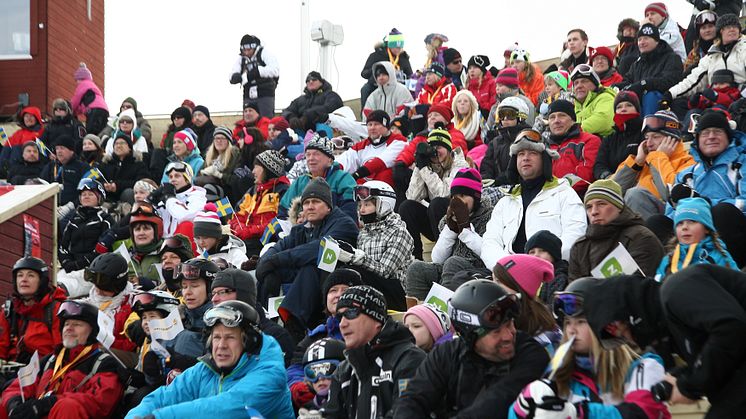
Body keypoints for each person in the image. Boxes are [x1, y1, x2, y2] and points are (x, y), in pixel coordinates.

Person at [582, 266, 746, 417]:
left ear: (623, 319)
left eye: (622, 334)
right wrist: (683, 378)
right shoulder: (671, 330)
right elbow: (723, 356)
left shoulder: (676, 289)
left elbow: (730, 328)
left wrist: (691, 386)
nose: (632, 342)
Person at [511, 277, 670, 419]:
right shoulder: (561, 375)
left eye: (580, 322)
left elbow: (644, 412)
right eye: (568, 323)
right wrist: (521, 409)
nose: (572, 330)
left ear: (604, 324)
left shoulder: (644, 366)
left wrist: (578, 413)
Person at [394, 279, 549, 417]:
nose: (508, 336)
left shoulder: (531, 355)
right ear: (470, 336)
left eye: (510, 324)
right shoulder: (447, 354)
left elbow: (495, 404)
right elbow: (412, 399)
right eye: (496, 332)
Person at [126, 301, 294, 418]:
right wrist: (137, 416)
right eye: (216, 338)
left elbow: (225, 410)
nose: (221, 345)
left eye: (230, 338)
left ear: (249, 342)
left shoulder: (270, 375)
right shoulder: (205, 370)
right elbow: (163, 397)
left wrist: (159, 417)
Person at [256, 178, 359, 339]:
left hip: (336, 279)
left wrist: (275, 260)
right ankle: (263, 322)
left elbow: (319, 249)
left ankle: (293, 326)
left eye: (316, 201)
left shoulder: (344, 223)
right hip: (309, 285)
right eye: (306, 202)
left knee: (310, 267)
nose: (310, 206)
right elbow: (278, 248)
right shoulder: (301, 230)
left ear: (328, 206)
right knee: (270, 274)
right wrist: (267, 262)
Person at [0, 300, 125, 419]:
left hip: (67, 414)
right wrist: (13, 403)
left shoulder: (104, 363)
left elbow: (100, 402)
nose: (69, 328)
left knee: (67, 407)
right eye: (66, 324)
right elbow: (19, 386)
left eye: (77, 324)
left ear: (92, 332)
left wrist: (50, 402)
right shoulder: (49, 360)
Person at [482, 129, 587, 269]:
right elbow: (490, 242)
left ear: (544, 159)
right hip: (508, 274)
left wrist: (543, 263)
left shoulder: (565, 193)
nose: (525, 158)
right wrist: (507, 268)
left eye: (532, 153)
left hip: (552, 272)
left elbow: (575, 235)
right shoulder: (505, 202)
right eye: (521, 154)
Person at [321, 285, 426, 418]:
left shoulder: (410, 360)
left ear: (376, 319)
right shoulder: (344, 371)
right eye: (340, 317)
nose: (342, 324)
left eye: (351, 313)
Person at [670, 109, 746, 267]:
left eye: (717, 131)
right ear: (697, 140)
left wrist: (704, 203)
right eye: (705, 133)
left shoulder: (742, 164)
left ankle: (726, 274)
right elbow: (671, 214)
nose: (711, 136)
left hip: (735, 236)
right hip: (694, 236)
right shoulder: (686, 175)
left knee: (722, 212)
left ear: (728, 137)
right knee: (658, 221)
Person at [406, 168, 493, 299]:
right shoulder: (447, 220)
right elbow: (437, 259)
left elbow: (489, 253)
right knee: (416, 268)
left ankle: (444, 310)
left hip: (478, 271)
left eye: (463, 196)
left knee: (454, 262)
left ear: (476, 197)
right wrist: (450, 229)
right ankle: (419, 314)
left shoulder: (490, 216)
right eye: (454, 197)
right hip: (449, 269)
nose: (458, 201)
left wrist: (465, 229)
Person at [336, 181, 412, 310]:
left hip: (397, 292)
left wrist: (355, 257)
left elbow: (385, 271)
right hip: (371, 287)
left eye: (367, 204)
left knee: (357, 272)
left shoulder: (399, 232)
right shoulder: (364, 233)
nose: (362, 210)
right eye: (360, 205)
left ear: (384, 205)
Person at [569, 179, 664, 279]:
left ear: (619, 207)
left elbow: (636, 287)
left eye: (601, 204)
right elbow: (575, 291)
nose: (593, 212)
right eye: (588, 207)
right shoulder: (580, 247)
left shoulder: (640, 238)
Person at [286, 268, 363, 389]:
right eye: (333, 290)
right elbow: (295, 368)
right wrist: (302, 388)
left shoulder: (368, 332)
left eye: (345, 290)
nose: (338, 295)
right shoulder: (315, 337)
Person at [399, 126, 469, 259]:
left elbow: (444, 194)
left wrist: (425, 169)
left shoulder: (460, 164)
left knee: (437, 203)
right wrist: (419, 166)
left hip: (458, 220)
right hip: (435, 222)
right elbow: (412, 196)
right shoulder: (428, 166)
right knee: (406, 207)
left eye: (439, 147)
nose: (436, 151)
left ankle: (442, 257)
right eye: (433, 148)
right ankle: (415, 257)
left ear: (448, 149)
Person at [613, 110, 694, 219]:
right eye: (647, 138)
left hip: (667, 223)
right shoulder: (643, 162)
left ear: (673, 139)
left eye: (655, 137)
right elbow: (611, 193)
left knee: (635, 195)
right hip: (634, 226)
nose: (649, 143)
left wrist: (658, 157)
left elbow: (671, 195)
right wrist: (637, 163)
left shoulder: (687, 163)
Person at [277, 136, 357, 224]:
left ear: (329, 160)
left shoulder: (343, 179)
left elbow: (349, 213)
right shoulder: (300, 182)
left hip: (333, 231)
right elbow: (282, 213)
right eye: (308, 154)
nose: (311, 158)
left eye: (316, 154)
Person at [0, 257, 65, 365]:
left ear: (42, 280)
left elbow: (62, 352)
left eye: (30, 275)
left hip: (45, 372)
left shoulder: (56, 310)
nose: (24, 279)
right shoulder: (10, 311)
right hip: (11, 371)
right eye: (20, 275)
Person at [655, 197, 738, 281]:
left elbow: (738, 287)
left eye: (691, 222)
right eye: (680, 223)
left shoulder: (720, 258)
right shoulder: (668, 261)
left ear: (706, 228)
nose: (684, 227)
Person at [56, 179, 114, 298]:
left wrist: (82, 263)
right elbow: (63, 245)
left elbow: (103, 247)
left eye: (90, 194)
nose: (86, 196)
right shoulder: (73, 219)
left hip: (93, 270)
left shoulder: (106, 219)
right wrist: (67, 262)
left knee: (66, 288)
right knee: (53, 283)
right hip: (70, 268)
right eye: (83, 194)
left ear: (99, 198)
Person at [492, 255, 560, 352]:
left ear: (517, 287)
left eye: (498, 281)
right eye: (493, 279)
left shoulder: (544, 337)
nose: (492, 286)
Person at [230, 149, 290, 256]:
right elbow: (237, 214)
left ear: (267, 169)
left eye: (257, 167)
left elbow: (278, 223)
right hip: (244, 239)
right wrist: (238, 227)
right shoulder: (253, 190)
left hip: (265, 243)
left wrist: (249, 231)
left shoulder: (283, 191)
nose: (253, 171)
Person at [616, 23, 683, 116]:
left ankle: (649, 128)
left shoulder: (672, 58)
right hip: (639, 103)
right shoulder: (637, 64)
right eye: (639, 39)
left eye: (646, 38)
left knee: (651, 95)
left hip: (665, 103)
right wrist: (614, 87)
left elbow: (670, 81)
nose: (642, 42)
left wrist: (644, 84)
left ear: (656, 41)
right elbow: (628, 81)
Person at [336, 110, 407, 187]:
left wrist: (356, 175)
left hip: (386, 190)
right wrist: (332, 171)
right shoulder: (360, 146)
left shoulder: (399, 141)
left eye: (376, 124)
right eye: (370, 124)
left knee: (386, 172)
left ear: (386, 126)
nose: (372, 128)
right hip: (362, 191)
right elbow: (344, 161)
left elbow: (380, 162)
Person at [545, 100, 602, 195]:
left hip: (577, 197)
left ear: (573, 119)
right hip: (547, 198)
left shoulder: (589, 140)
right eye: (552, 117)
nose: (556, 121)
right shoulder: (544, 146)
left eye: (562, 115)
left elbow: (585, 176)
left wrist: (557, 191)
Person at [481, 97, 532, 185]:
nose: (505, 119)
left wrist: (501, 180)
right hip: (496, 187)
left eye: (510, 115)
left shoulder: (528, 138)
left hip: (521, 186)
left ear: (521, 117)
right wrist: (487, 180)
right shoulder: (495, 142)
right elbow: (486, 165)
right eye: (501, 115)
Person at [594, 91, 643, 180]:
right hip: (611, 183)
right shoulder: (609, 139)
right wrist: (606, 176)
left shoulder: (645, 133)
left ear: (637, 109)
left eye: (629, 105)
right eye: (619, 107)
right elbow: (599, 165)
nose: (623, 109)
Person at [360, 28, 413, 110]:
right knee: (365, 89)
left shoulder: (403, 58)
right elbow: (364, 73)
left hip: (396, 87)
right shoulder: (376, 55)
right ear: (390, 45)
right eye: (396, 47)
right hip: (377, 86)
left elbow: (410, 75)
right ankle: (365, 114)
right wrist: (375, 71)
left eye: (400, 47)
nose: (398, 50)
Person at [150, 161, 207, 237]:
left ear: (187, 179)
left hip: (187, 243)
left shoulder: (198, 196)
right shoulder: (167, 197)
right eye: (170, 177)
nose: (172, 179)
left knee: (185, 224)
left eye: (177, 176)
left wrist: (169, 198)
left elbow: (184, 216)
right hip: (164, 243)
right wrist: (150, 202)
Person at [229, 34, 280, 118]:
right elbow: (233, 72)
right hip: (248, 94)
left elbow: (275, 70)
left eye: (249, 50)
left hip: (265, 93)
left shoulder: (264, 53)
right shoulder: (242, 58)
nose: (247, 53)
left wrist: (257, 71)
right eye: (245, 50)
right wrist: (235, 76)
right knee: (249, 120)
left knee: (265, 119)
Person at [290, 338, 346, 413]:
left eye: (327, 369)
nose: (320, 378)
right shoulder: (304, 410)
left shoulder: (352, 403)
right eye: (313, 372)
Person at [192, 204, 248, 268]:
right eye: (198, 238)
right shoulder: (200, 258)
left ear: (216, 235)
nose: (201, 242)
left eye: (205, 237)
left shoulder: (235, 254)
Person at [99, 131, 149, 204]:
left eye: (122, 143)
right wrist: (104, 185)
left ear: (130, 148)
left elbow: (141, 182)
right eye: (116, 144)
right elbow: (96, 178)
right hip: (107, 195)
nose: (118, 146)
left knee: (129, 192)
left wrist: (118, 185)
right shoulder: (106, 164)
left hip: (127, 196)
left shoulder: (138, 164)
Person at [39, 135, 88, 206]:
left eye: (62, 148)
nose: (59, 151)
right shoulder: (50, 166)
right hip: (51, 206)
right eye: (57, 148)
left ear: (71, 150)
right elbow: (42, 185)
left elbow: (87, 190)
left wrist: (72, 205)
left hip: (75, 207)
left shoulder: (82, 167)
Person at [525, 230, 569, 305]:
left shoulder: (560, 278)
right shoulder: (527, 279)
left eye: (542, 251)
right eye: (532, 252)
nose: (536, 255)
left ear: (554, 254)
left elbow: (553, 308)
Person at [570, 64, 616, 137]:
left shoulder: (605, 97)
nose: (579, 86)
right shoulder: (577, 106)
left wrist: (573, 130)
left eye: (584, 81)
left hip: (606, 144)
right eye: (576, 83)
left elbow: (604, 120)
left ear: (595, 84)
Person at [70, 62, 109, 135]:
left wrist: (70, 109)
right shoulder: (92, 86)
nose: (76, 82)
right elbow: (81, 106)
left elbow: (76, 100)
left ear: (81, 78)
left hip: (94, 110)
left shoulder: (83, 84)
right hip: (104, 110)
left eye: (77, 80)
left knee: (91, 131)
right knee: (100, 132)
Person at [197, 126, 240, 191]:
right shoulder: (209, 156)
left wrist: (219, 175)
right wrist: (203, 172)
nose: (219, 141)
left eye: (222, 138)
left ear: (228, 141)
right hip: (208, 191)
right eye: (216, 138)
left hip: (227, 193)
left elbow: (236, 180)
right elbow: (198, 176)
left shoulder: (234, 155)